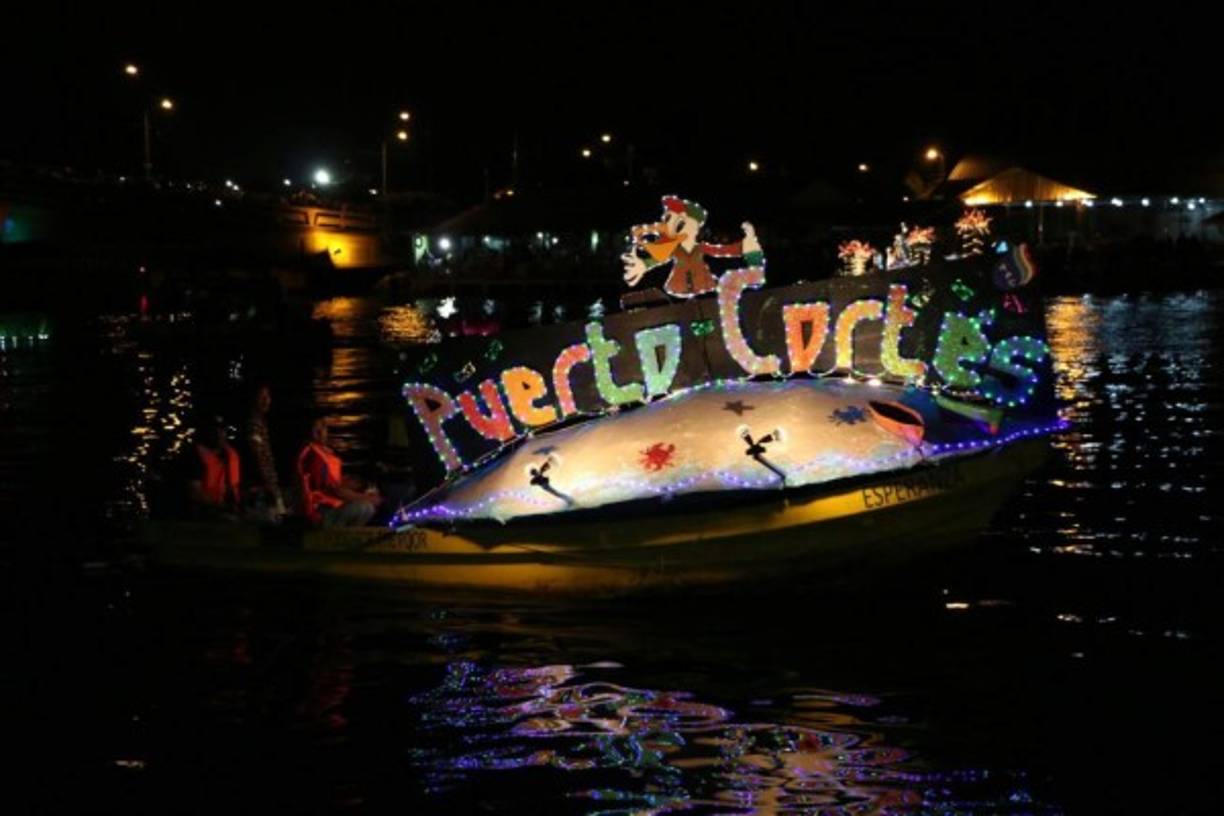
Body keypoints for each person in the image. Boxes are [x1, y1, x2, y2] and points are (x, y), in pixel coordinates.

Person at [296, 417, 379, 527]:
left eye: (323, 428)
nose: (321, 432)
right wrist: (367, 498)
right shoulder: (314, 456)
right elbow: (334, 490)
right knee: (365, 508)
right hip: (319, 513)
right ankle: (337, 534)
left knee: (366, 504)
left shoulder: (324, 454)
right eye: (316, 429)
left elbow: (333, 483)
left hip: (329, 507)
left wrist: (360, 489)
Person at [188, 416, 242, 520]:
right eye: (213, 430)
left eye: (222, 430)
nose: (218, 434)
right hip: (204, 511)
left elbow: (235, 486)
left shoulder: (230, 455)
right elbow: (194, 492)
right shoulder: (195, 456)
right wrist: (222, 507)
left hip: (228, 509)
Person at [245, 384, 286, 519]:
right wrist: (267, 484)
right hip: (263, 485)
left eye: (268, 397)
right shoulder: (254, 424)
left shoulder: (261, 422)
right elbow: (257, 455)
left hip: (268, 482)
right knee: (274, 518)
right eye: (262, 397)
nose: (266, 401)